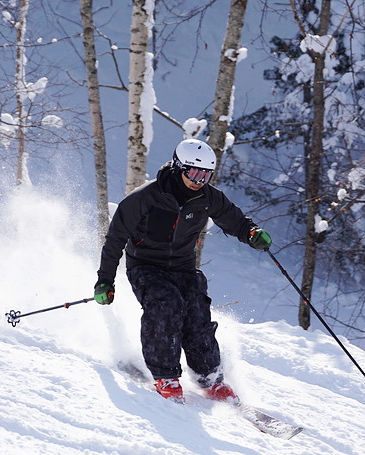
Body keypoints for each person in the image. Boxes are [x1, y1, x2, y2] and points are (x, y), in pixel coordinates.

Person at [93, 139, 272, 403]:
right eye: (194, 173)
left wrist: (252, 233)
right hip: (145, 265)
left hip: (182, 266)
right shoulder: (146, 197)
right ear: (179, 168)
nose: (199, 180)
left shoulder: (208, 197)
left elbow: (234, 219)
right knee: (166, 304)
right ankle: (165, 376)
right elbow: (115, 239)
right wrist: (105, 281)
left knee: (197, 311)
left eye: (205, 175)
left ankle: (209, 377)